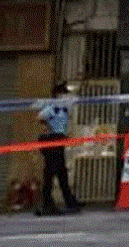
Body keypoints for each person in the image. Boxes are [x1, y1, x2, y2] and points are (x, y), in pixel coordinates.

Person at [35, 82, 81, 216]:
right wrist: (48, 127)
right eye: (64, 93)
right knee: (52, 172)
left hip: (59, 140)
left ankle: (66, 201)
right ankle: (48, 203)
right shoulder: (52, 107)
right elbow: (40, 117)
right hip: (51, 140)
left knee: (60, 173)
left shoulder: (65, 108)